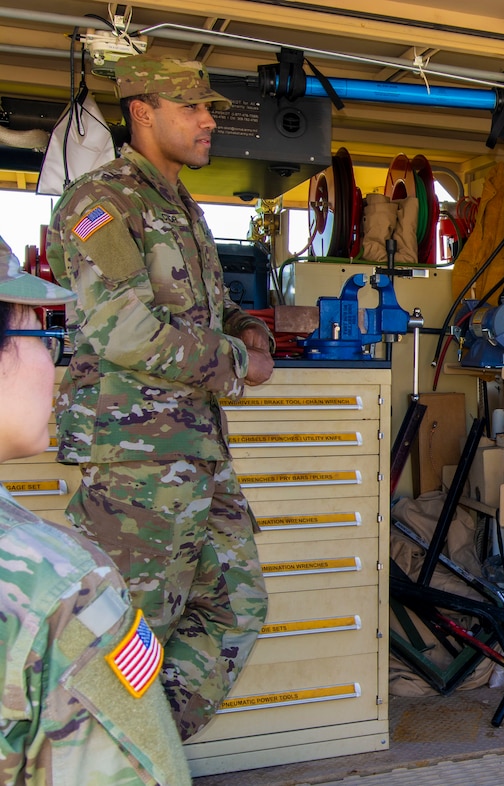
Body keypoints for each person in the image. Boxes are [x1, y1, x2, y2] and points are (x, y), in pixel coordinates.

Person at [46, 53, 274, 741]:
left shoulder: (181, 207)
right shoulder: (101, 203)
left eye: (208, 109)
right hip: (135, 461)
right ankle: (94, 762)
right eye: (192, 108)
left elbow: (208, 308)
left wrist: (247, 325)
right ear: (142, 112)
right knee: (124, 632)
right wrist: (240, 361)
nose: (209, 121)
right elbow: (125, 331)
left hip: (197, 447)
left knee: (236, 604)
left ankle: (144, 753)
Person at [0, 235, 191, 784]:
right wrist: (231, 356)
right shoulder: (61, 586)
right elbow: (129, 330)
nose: (53, 365)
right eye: (44, 337)